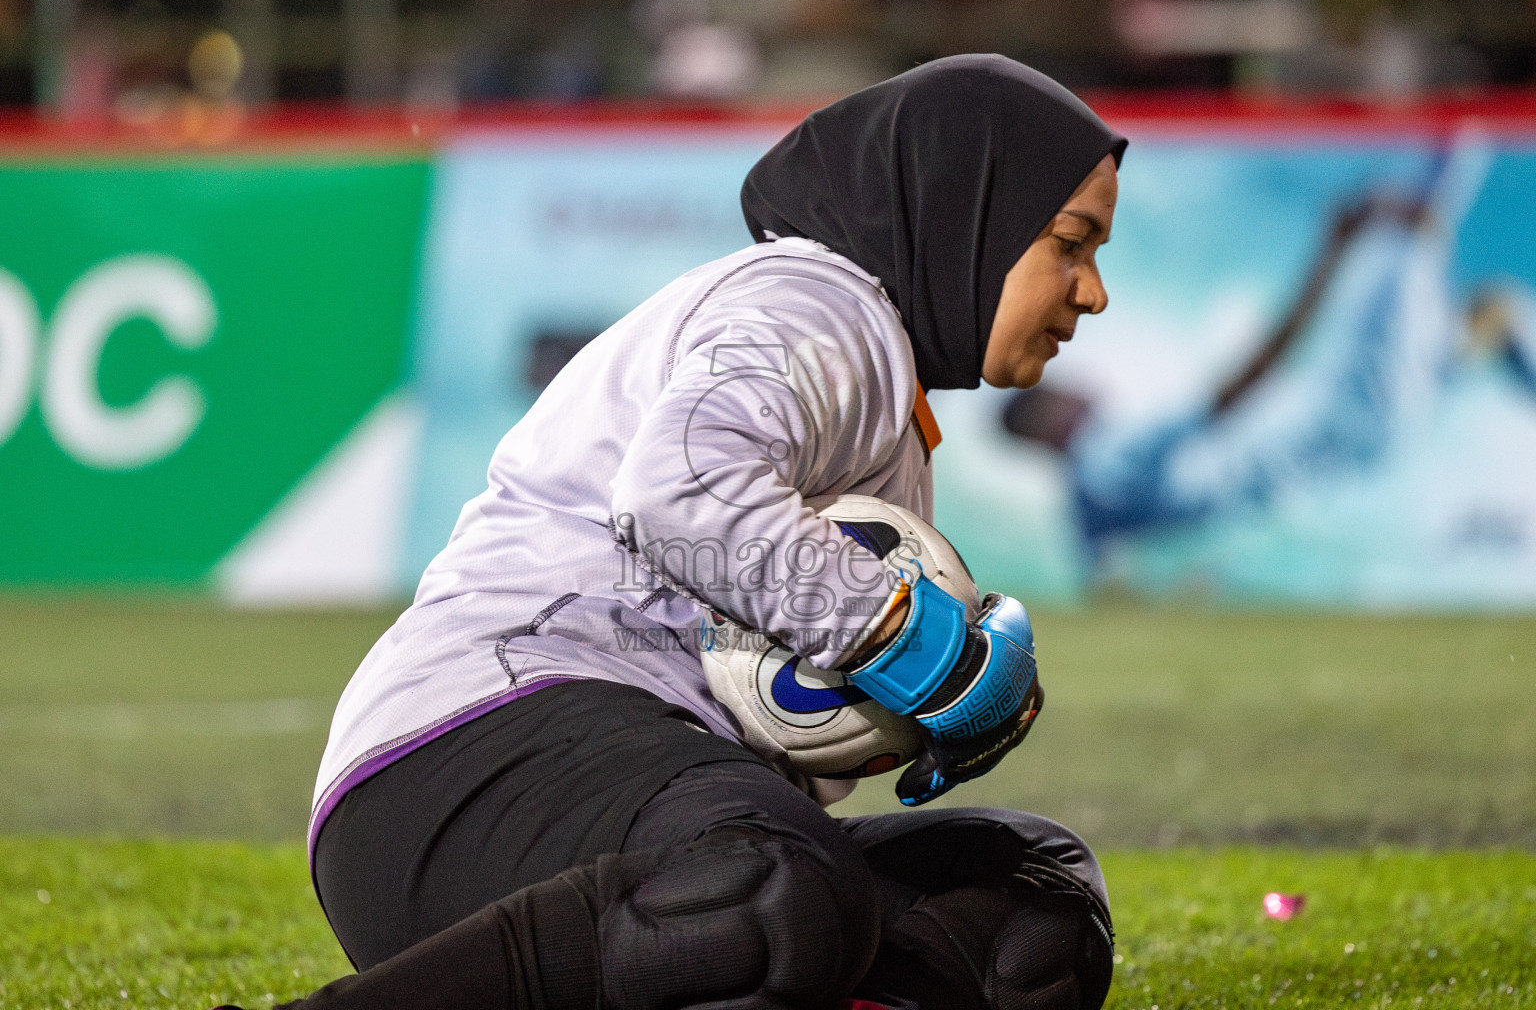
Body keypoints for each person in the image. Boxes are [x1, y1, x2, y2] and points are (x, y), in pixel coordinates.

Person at [220, 54, 1125, 1010]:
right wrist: (920, 651)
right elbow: (682, 493)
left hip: (596, 794)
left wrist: (907, 719)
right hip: (461, 763)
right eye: (1072, 243)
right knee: (780, 889)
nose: (1091, 291)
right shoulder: (825, 307)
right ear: (963, 211)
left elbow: (767, 700)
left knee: (1033, 911)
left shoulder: (887, 396)